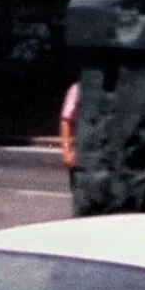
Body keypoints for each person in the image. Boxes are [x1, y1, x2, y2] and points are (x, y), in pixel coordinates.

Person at [58, 80, 88, 215]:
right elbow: (66, 120)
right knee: (83, 204)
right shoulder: (78, 89)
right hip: (83, 158)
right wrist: (66, 151)